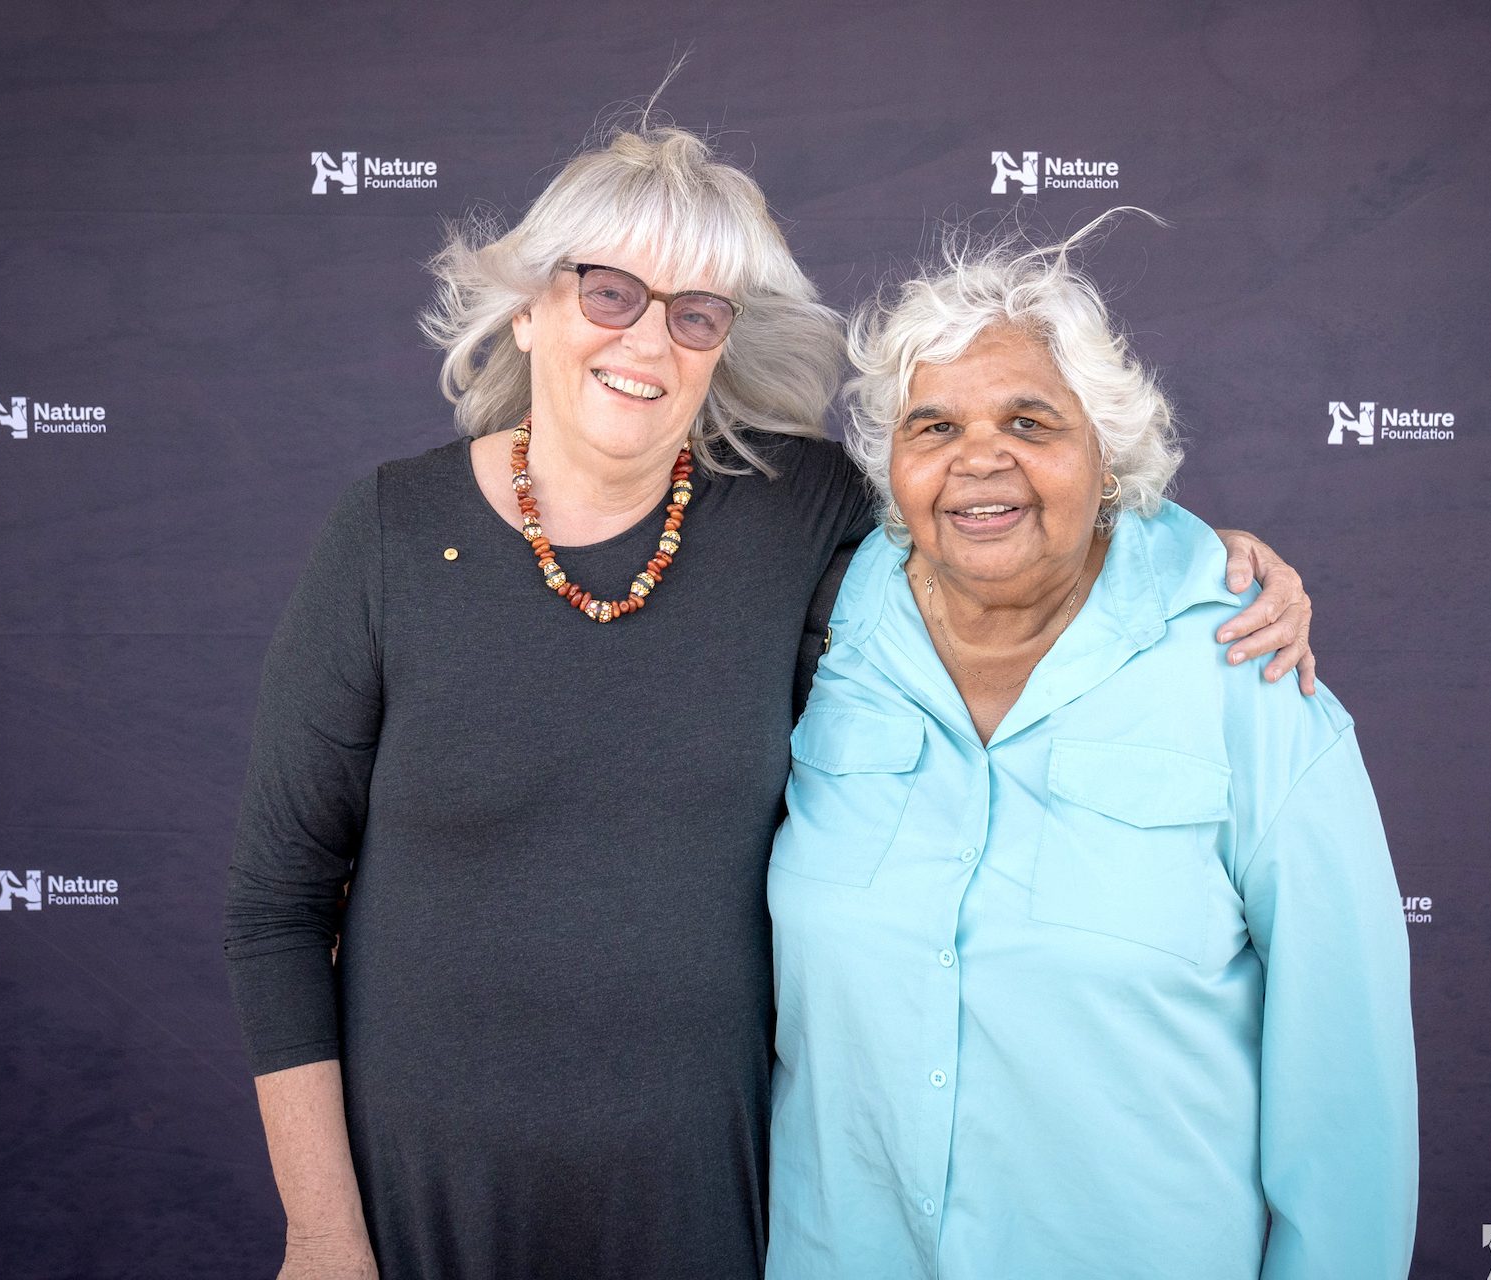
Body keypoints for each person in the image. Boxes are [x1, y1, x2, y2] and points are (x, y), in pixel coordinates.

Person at [223, 122, 1320, 1280]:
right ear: (528, 307)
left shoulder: (802, 511)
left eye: (696, 310)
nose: (650, 335)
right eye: (610, 292)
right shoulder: (390, 535)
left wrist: (1197, 563)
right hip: (422, 1209)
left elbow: (1006, 539)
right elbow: (275, 907)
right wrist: (324, 1233)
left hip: (716, 1210)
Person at [765, 225, 1417, 1279]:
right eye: (934, 425)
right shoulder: (821, 629)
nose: (981, 457)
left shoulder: (1242, 665)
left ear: (1107, 452)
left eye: (1030, 419)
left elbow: (1350, 1088)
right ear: (894, 462)